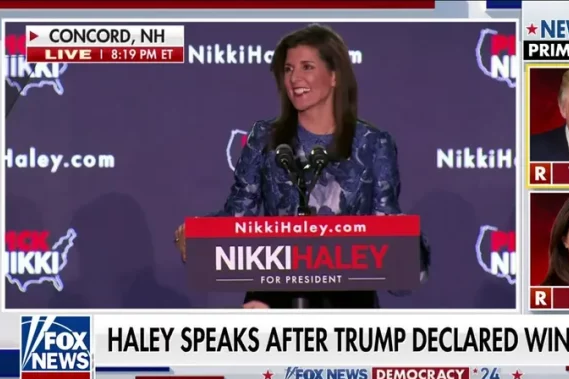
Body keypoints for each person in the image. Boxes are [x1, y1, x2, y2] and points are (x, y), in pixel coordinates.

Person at [174, 24, 431, 308]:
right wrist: (198, 234)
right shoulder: (264, 138)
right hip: (274, 301)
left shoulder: (372, 143)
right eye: (288, 69)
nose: (294, 78)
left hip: (347, 307)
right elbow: (239, 214)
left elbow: (386, 226)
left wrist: (409, 251)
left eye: (307, 67)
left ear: (334, 76)